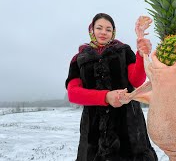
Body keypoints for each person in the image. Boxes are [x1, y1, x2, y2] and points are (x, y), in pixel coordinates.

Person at [65, 13, 158, 161]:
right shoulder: (79, 59)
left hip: (128, 122)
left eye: (108, 29)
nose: (103, 32)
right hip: (94, 127)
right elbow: (73, 93)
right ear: (92, 30)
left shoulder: (123, 51)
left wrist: (141, 55)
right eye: (99, 28)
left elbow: (136, 80)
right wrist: (106, 97)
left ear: (113, 32)